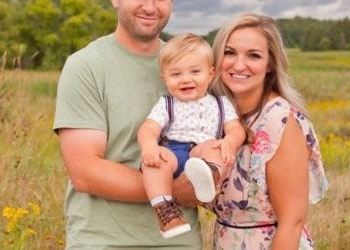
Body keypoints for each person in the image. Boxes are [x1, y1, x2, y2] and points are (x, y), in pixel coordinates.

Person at [53, 1, 203, 249]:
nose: (150, 6)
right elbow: (85, 172)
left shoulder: (188, 67)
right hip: (103, 241)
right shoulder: (87, 66)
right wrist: (172, 191)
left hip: (181, 242)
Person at [194, 13, 329, 249]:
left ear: (270, 65)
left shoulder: (279, 121)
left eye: (253, 56)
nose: (238, 65)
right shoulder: (220, 117)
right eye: (229, 52)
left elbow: (292, 222)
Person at [137, 33, 246, 239]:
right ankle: (166, 213)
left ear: (211, 74)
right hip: (173, 151)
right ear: (164, 79)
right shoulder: (166, 104)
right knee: (155, 162)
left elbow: (236, 129)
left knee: (214, 148)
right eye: (176, 74)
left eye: (195, 71)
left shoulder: (221, 103)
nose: (186, 79)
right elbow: (148, 129)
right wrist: (149, 146)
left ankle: (209, 176)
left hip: (202, 153)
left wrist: (229, 142)